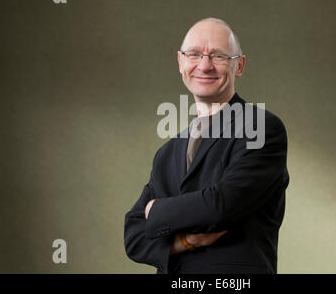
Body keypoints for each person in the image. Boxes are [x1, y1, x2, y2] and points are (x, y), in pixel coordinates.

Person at [124, 17, 289, 274]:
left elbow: (222, 205)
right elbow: (133, 236)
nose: (204, 65)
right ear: (180, 62)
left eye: (218, 56)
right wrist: (187, 242)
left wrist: (155, 210)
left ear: (240, 66)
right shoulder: (167, 153)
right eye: (194, 54)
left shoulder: (261, 129)